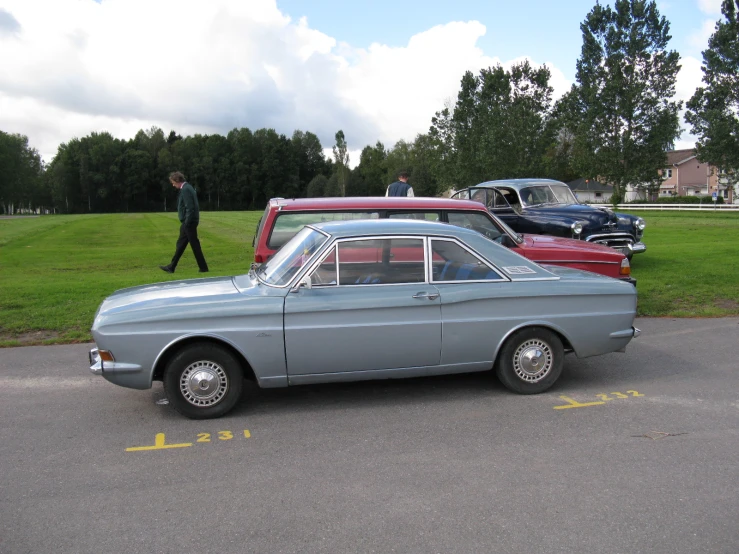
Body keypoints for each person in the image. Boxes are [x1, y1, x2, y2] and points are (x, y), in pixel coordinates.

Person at [159, 171, 209, 273]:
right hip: (189, 221)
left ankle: (203, 268)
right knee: (181, 244)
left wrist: (187, 222)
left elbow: (190, 207)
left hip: (189, 222)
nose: (173, 185)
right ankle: (172, 267)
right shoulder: (187, 188)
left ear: (177, 181)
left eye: (173, 182)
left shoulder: (186, 189)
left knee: (193, 245)